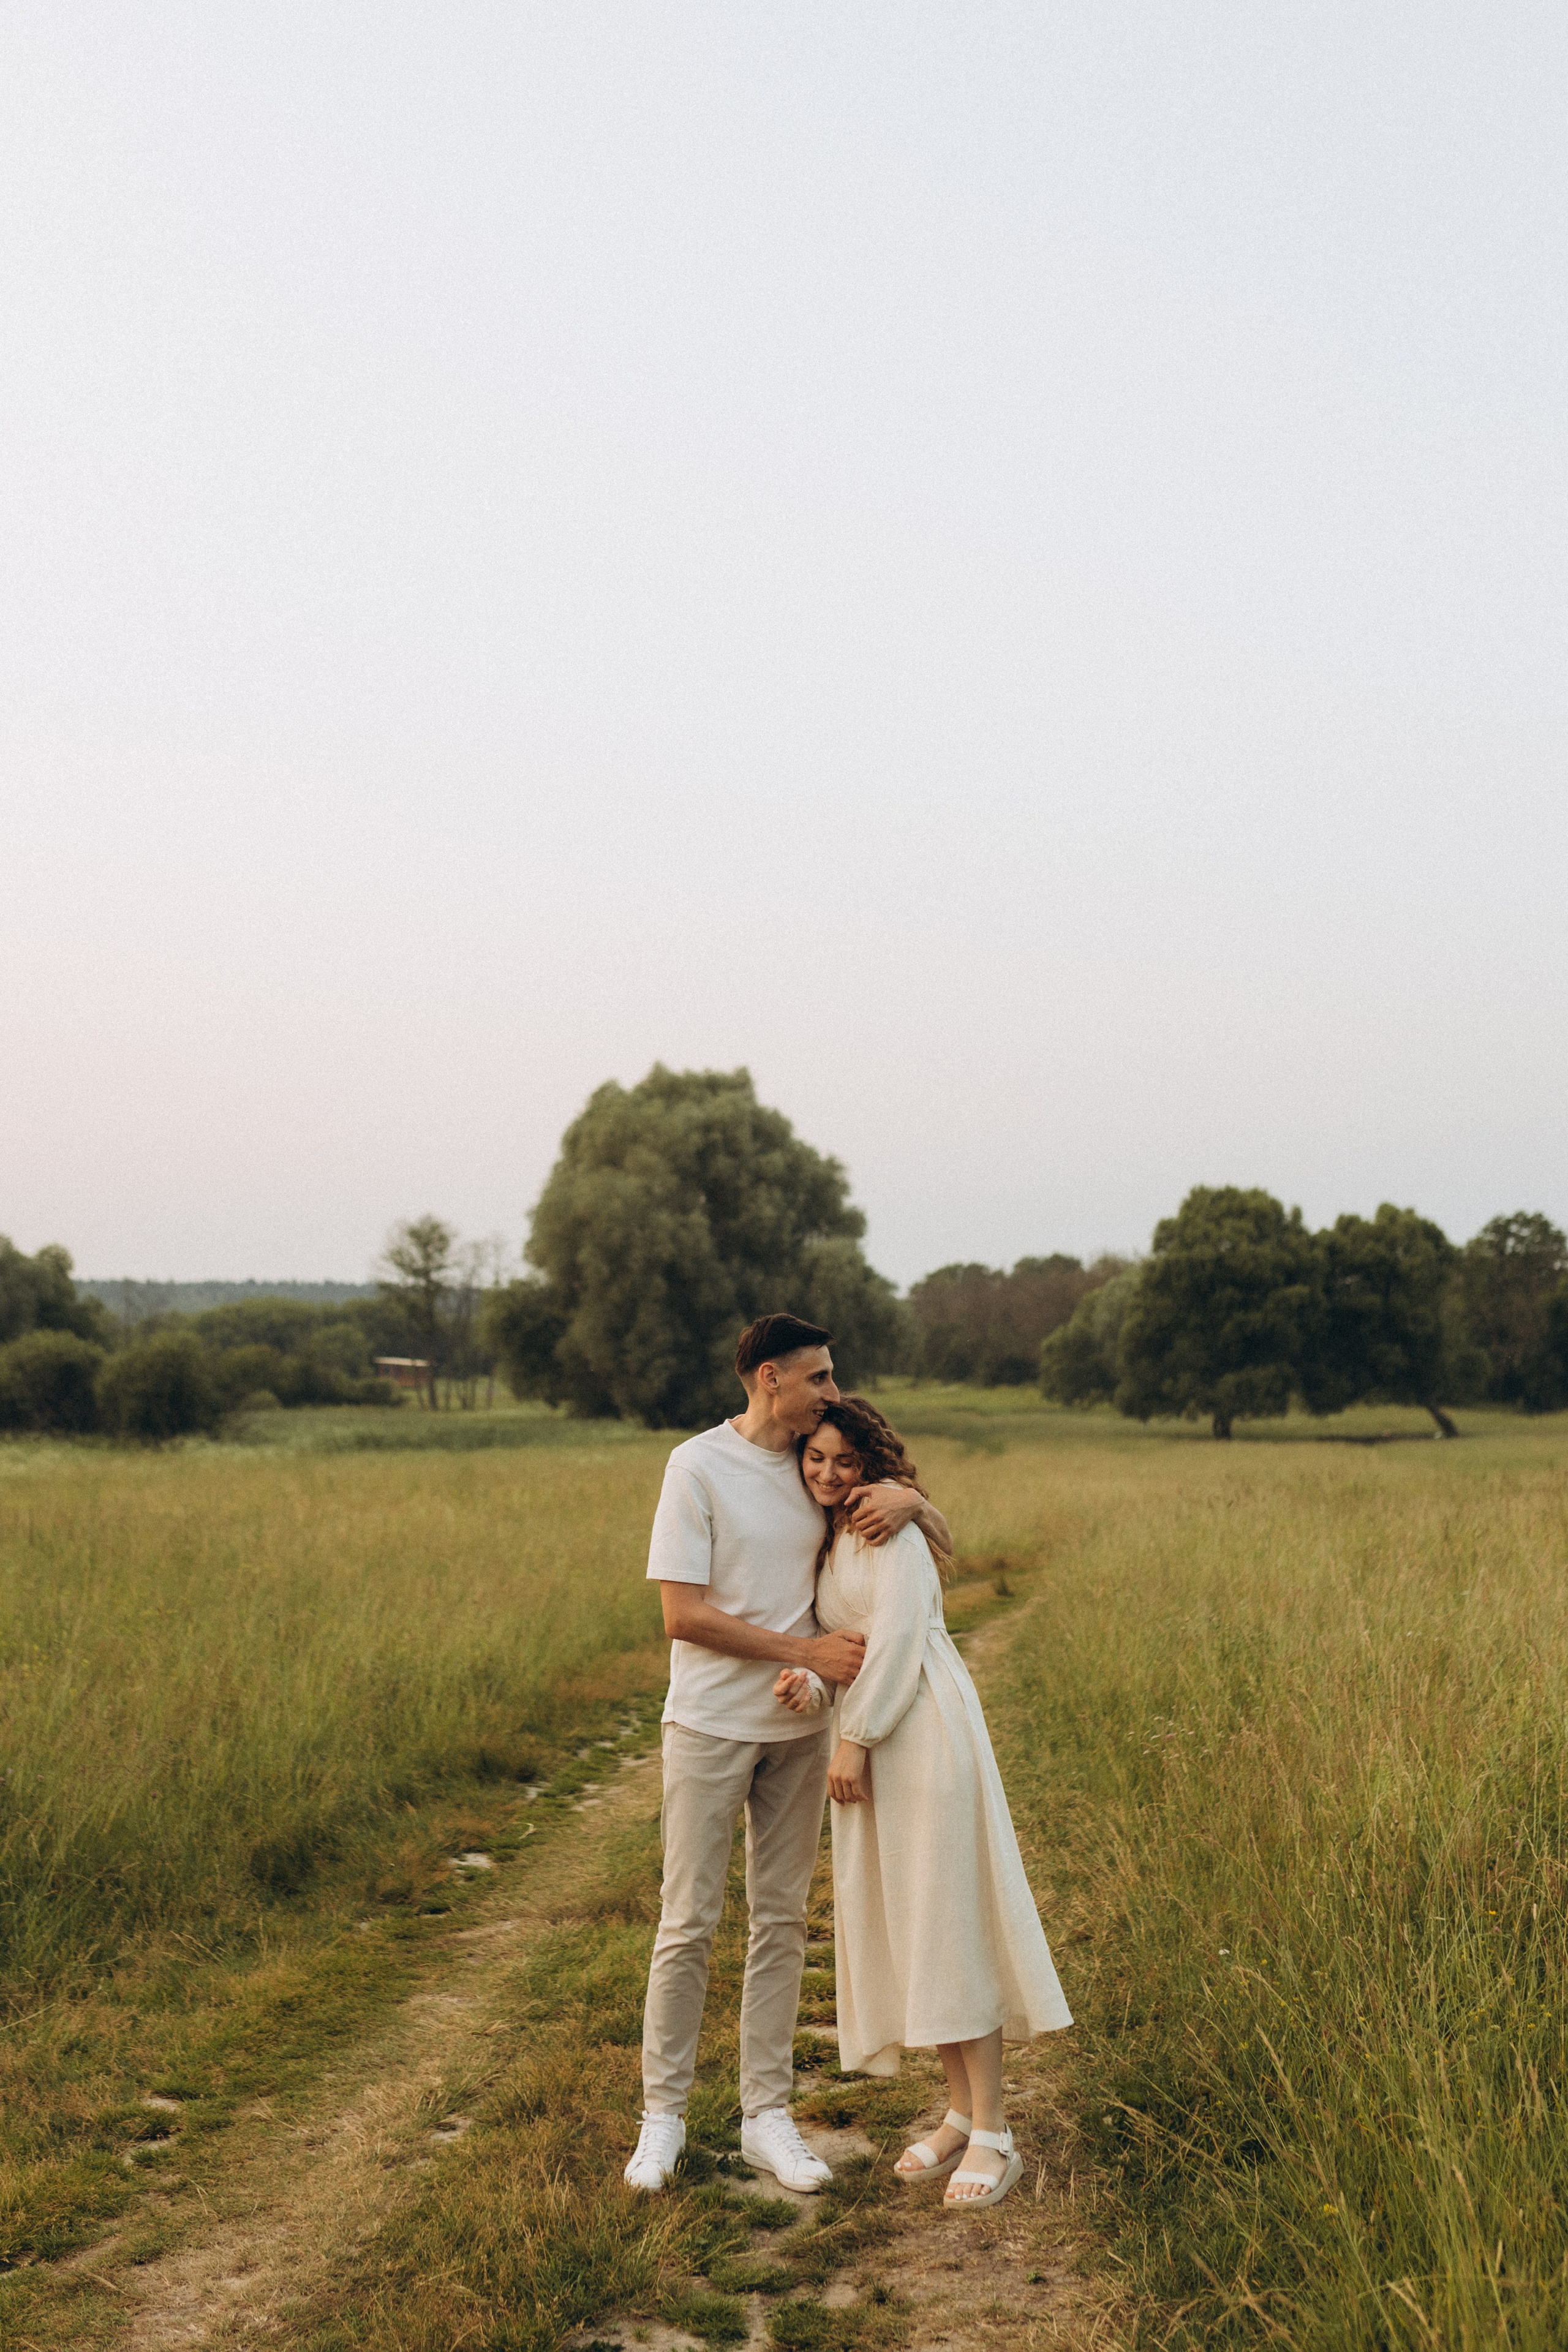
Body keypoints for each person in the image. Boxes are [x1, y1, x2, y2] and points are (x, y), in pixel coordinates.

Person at [624, 1316, 954, 2196]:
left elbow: (918, 1533)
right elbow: (682, 1615)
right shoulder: (696, 1466)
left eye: (833, 1379)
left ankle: (766, 2116)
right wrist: (805, 1652)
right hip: (708, 1724)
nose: (832, 1393)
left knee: (780, 1924)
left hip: (800, 1734)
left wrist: (915, 1502)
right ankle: (663, 2120)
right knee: (688, 1922)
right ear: (770, 1377)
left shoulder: (821, 1466)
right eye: (819, 1378)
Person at [774, 1395, 1071, 2209]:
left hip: (920, 1729)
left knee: (946, 1922)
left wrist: (854, 1739)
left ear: (871, 1463)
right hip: (875, 1734)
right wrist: (809, 1686)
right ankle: (959, 2113)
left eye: (845, 1460)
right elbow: (850, 1647)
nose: (828, 1473)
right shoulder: (831, 1536)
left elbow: (902, 1637)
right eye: (815, 1458)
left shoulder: (886, 1525)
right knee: (914, 1925)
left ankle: (996, 2134)